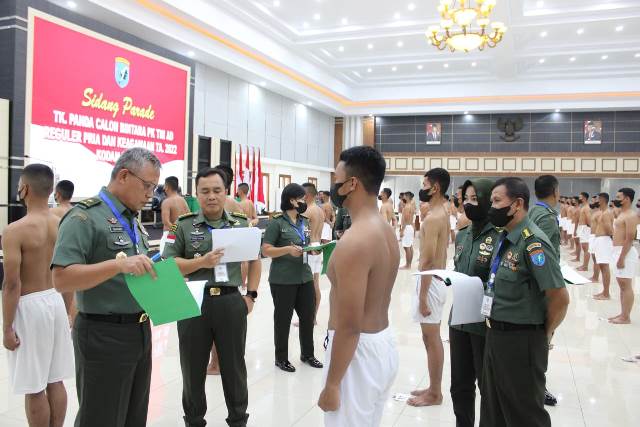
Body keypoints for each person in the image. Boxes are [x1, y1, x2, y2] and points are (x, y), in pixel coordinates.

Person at [52, 147, 160, 427]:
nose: (151, 194)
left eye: (155, 187)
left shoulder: (132, 219)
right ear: (124, 175)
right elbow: (61, 278)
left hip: (139, 330)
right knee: (101, 417)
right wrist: (118, 265)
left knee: (133, 416)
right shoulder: (84, 218)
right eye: (147, 186)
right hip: (103, 334)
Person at [163, 167, 260, 427]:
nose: (211, 196)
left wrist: (251, 295)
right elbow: (168, 264)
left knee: (234, 367)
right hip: (193, 300)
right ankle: (194, 420)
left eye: (217, 190)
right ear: (196, 194)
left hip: (230, 301)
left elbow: (255, 259)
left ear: (225, 191)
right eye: (204, 191)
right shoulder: (181, 225)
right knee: (192, 367)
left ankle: (238, 419)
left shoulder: (240, 223)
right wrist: (201, 262)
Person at [317, 145, 399, 426]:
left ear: (352, 183)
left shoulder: (356, 241)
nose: (333, 185)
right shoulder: (385, 230)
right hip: (381, 342)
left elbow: (350, 324)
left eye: (337, 178)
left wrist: (332, 384)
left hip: (357, 354)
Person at [480, 177, 570, 427]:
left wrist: (542, 333)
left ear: (517, 204)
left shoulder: (533, 242)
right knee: (493, 409)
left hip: (522, 340)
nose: (492, 208)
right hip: (495, 334)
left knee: (524, 414)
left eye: (497, 201)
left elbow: (559, 298)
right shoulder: (506, 236)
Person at [2, 164, 74, 427]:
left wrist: (7, 327)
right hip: (55, 299)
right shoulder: (62, 224)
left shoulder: (15, 230)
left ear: (25, 189)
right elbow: (68, 273)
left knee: (34, 385)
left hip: (29, 307)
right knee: (55, 379)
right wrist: (68, 311)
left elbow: (11, 284)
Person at [448, 178, 499, 426]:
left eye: (475, 199)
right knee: (459, 385)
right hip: (459, 320)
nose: (468, 204)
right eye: (466, 199)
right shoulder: (462, 235)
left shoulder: (500, 236)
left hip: (485, 322)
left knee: (487, 386)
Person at [261, 183, 323, 372]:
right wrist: (287, 249)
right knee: (283, 319)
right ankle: (281, 358)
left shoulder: (303, 221)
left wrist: (312, 251)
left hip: (304, 277)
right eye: (302, 199)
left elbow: (305, 244)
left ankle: (308, 354)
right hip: (283, 279)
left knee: (307, 317)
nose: (305, 202)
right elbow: (266, 250)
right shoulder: (276, 223)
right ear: (291, 200)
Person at [408, 168, 451, 407]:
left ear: (435, 188)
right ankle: (433, 387)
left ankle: (435, 393)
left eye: (424, 184)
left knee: (432, 338)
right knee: (428, 337)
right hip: (434, 279)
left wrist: (423, 296)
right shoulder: (439, 212)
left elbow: (428, 260)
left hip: (431, 281)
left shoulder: (434, 217)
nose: (421, 188)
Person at [528, 175, 562, 408]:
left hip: (531, 282)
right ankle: (537, 386)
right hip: (542, 286)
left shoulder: (533, 213)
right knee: (543, 337)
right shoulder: (547, 218)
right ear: (555, 192)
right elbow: (542, 256)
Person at [608, 188, 639, 324]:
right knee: (622, 285)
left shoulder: (630, 216)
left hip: (625, 252)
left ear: (627, 199)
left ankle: (626, 317)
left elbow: (630, 238)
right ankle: (623, 313)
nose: (616, 199)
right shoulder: (622, 213)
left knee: (626, 285)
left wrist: (621, 257)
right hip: (618, 251)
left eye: (618, 197)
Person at [49, 179, 76, 319]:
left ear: (57, 194)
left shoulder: (51, 213)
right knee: (72, 291)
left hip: (55, 256)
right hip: (75, 257)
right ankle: (69, 318)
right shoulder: (77, 212)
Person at [302, 182, 325, 324]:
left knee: (307, 286)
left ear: (307, 195)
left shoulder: (308, 211)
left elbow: (302, 233)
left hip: (311, 248)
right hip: (319, 247)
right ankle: (313, 317)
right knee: (316, 284)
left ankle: (309, 317)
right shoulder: (320, 210)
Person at [160, 176, 190, 254]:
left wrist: (175, 231)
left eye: (164, 185)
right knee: (178, 257)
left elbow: (166, 222)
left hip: (170, 234)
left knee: (166, 258)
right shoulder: (183, 200)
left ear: (167, 187)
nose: (164, 188)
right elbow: (189, 217)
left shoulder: (167, 202)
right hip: (182, 235)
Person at [593, 193, 614, 300]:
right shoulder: (602, 212)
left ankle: (606, 293)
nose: (596, 201)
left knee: (604, 267)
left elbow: (610, 230)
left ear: (602, 200)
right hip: (600, 240)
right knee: (602, 266)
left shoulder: (606, 213)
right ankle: (604, 291)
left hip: (604, 241)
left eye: (598, 199)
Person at [400, 192, 416, 269]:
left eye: (404, 196)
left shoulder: (407, 207)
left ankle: (408, 265)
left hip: (407, 227)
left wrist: (402, 230)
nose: (403, 197)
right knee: (410, 246)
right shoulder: (411, 206)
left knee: (406, 247)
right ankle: (409, 264)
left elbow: (405, 219)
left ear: (408, 197)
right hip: (410, 227)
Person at [587, 196, 601, 283]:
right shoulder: (594, 212)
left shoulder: (600, 213)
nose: (592, 202)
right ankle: (594, 276)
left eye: (594, 200)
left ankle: (596, 277)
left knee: (597, 258)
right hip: (592, 236)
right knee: (594, 257)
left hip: (596, 237)